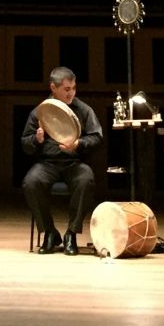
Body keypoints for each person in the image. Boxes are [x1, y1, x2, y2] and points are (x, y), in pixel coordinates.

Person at [21, 66, 104, 255]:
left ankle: (71, 234)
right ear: (53, 87)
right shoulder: (39, 112)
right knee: (31, 182)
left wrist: (78, 143)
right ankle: (49, 232)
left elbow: (97, 137)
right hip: (47, 163)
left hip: (73, 162)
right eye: (67, 89)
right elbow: (25, 143)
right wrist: (37, 139)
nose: (71, 93)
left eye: (74, 88)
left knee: (86, 180)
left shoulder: (83, 110)